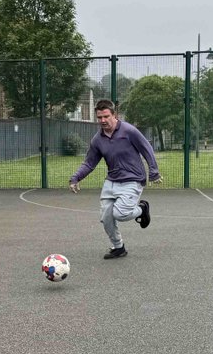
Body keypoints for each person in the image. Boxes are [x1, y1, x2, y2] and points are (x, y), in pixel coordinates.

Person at [69, 99, 161, 259]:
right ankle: (118, 247)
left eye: (106, 116)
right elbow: (89, 163)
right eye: (99, 117)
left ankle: (142, 209)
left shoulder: (129, 131)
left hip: (132, 179)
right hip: (111, 181)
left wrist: (153, 172)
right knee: (106, 217)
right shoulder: (97, 139)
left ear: (114, 115)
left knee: (121, 213)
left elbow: (147, 149)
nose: (103, 121)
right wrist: (75, 178)